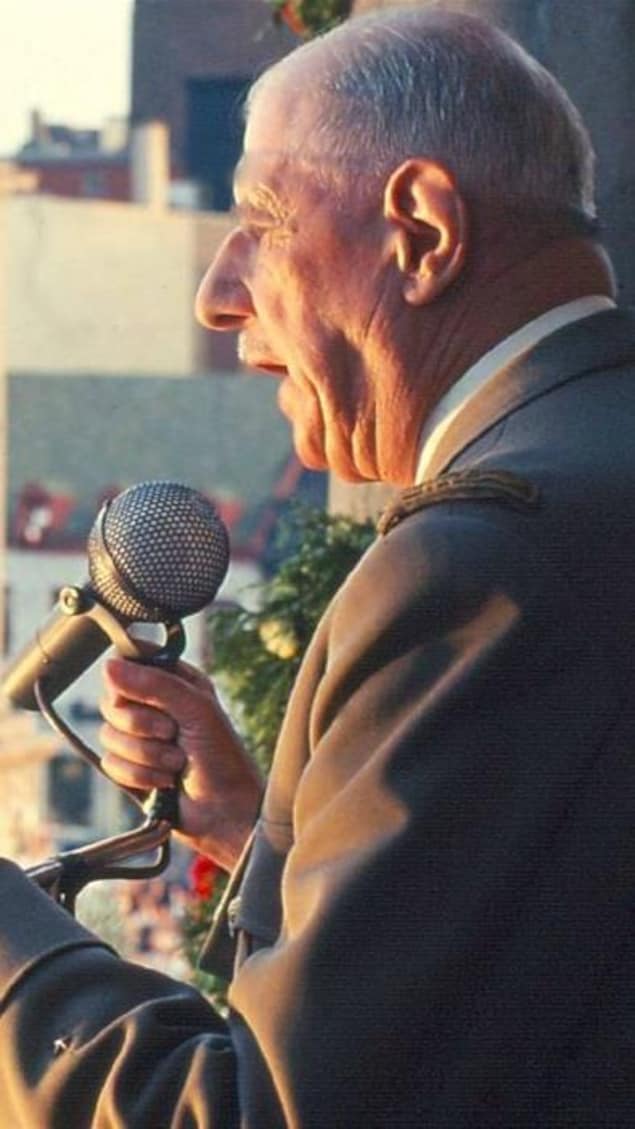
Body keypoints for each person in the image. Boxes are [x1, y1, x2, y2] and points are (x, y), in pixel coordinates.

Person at [1, 7, 635, 1125]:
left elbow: (267, 1114)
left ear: (421, 232)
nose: (217, 291)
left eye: (259, 219)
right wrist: (266, 825)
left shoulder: (479, 565)